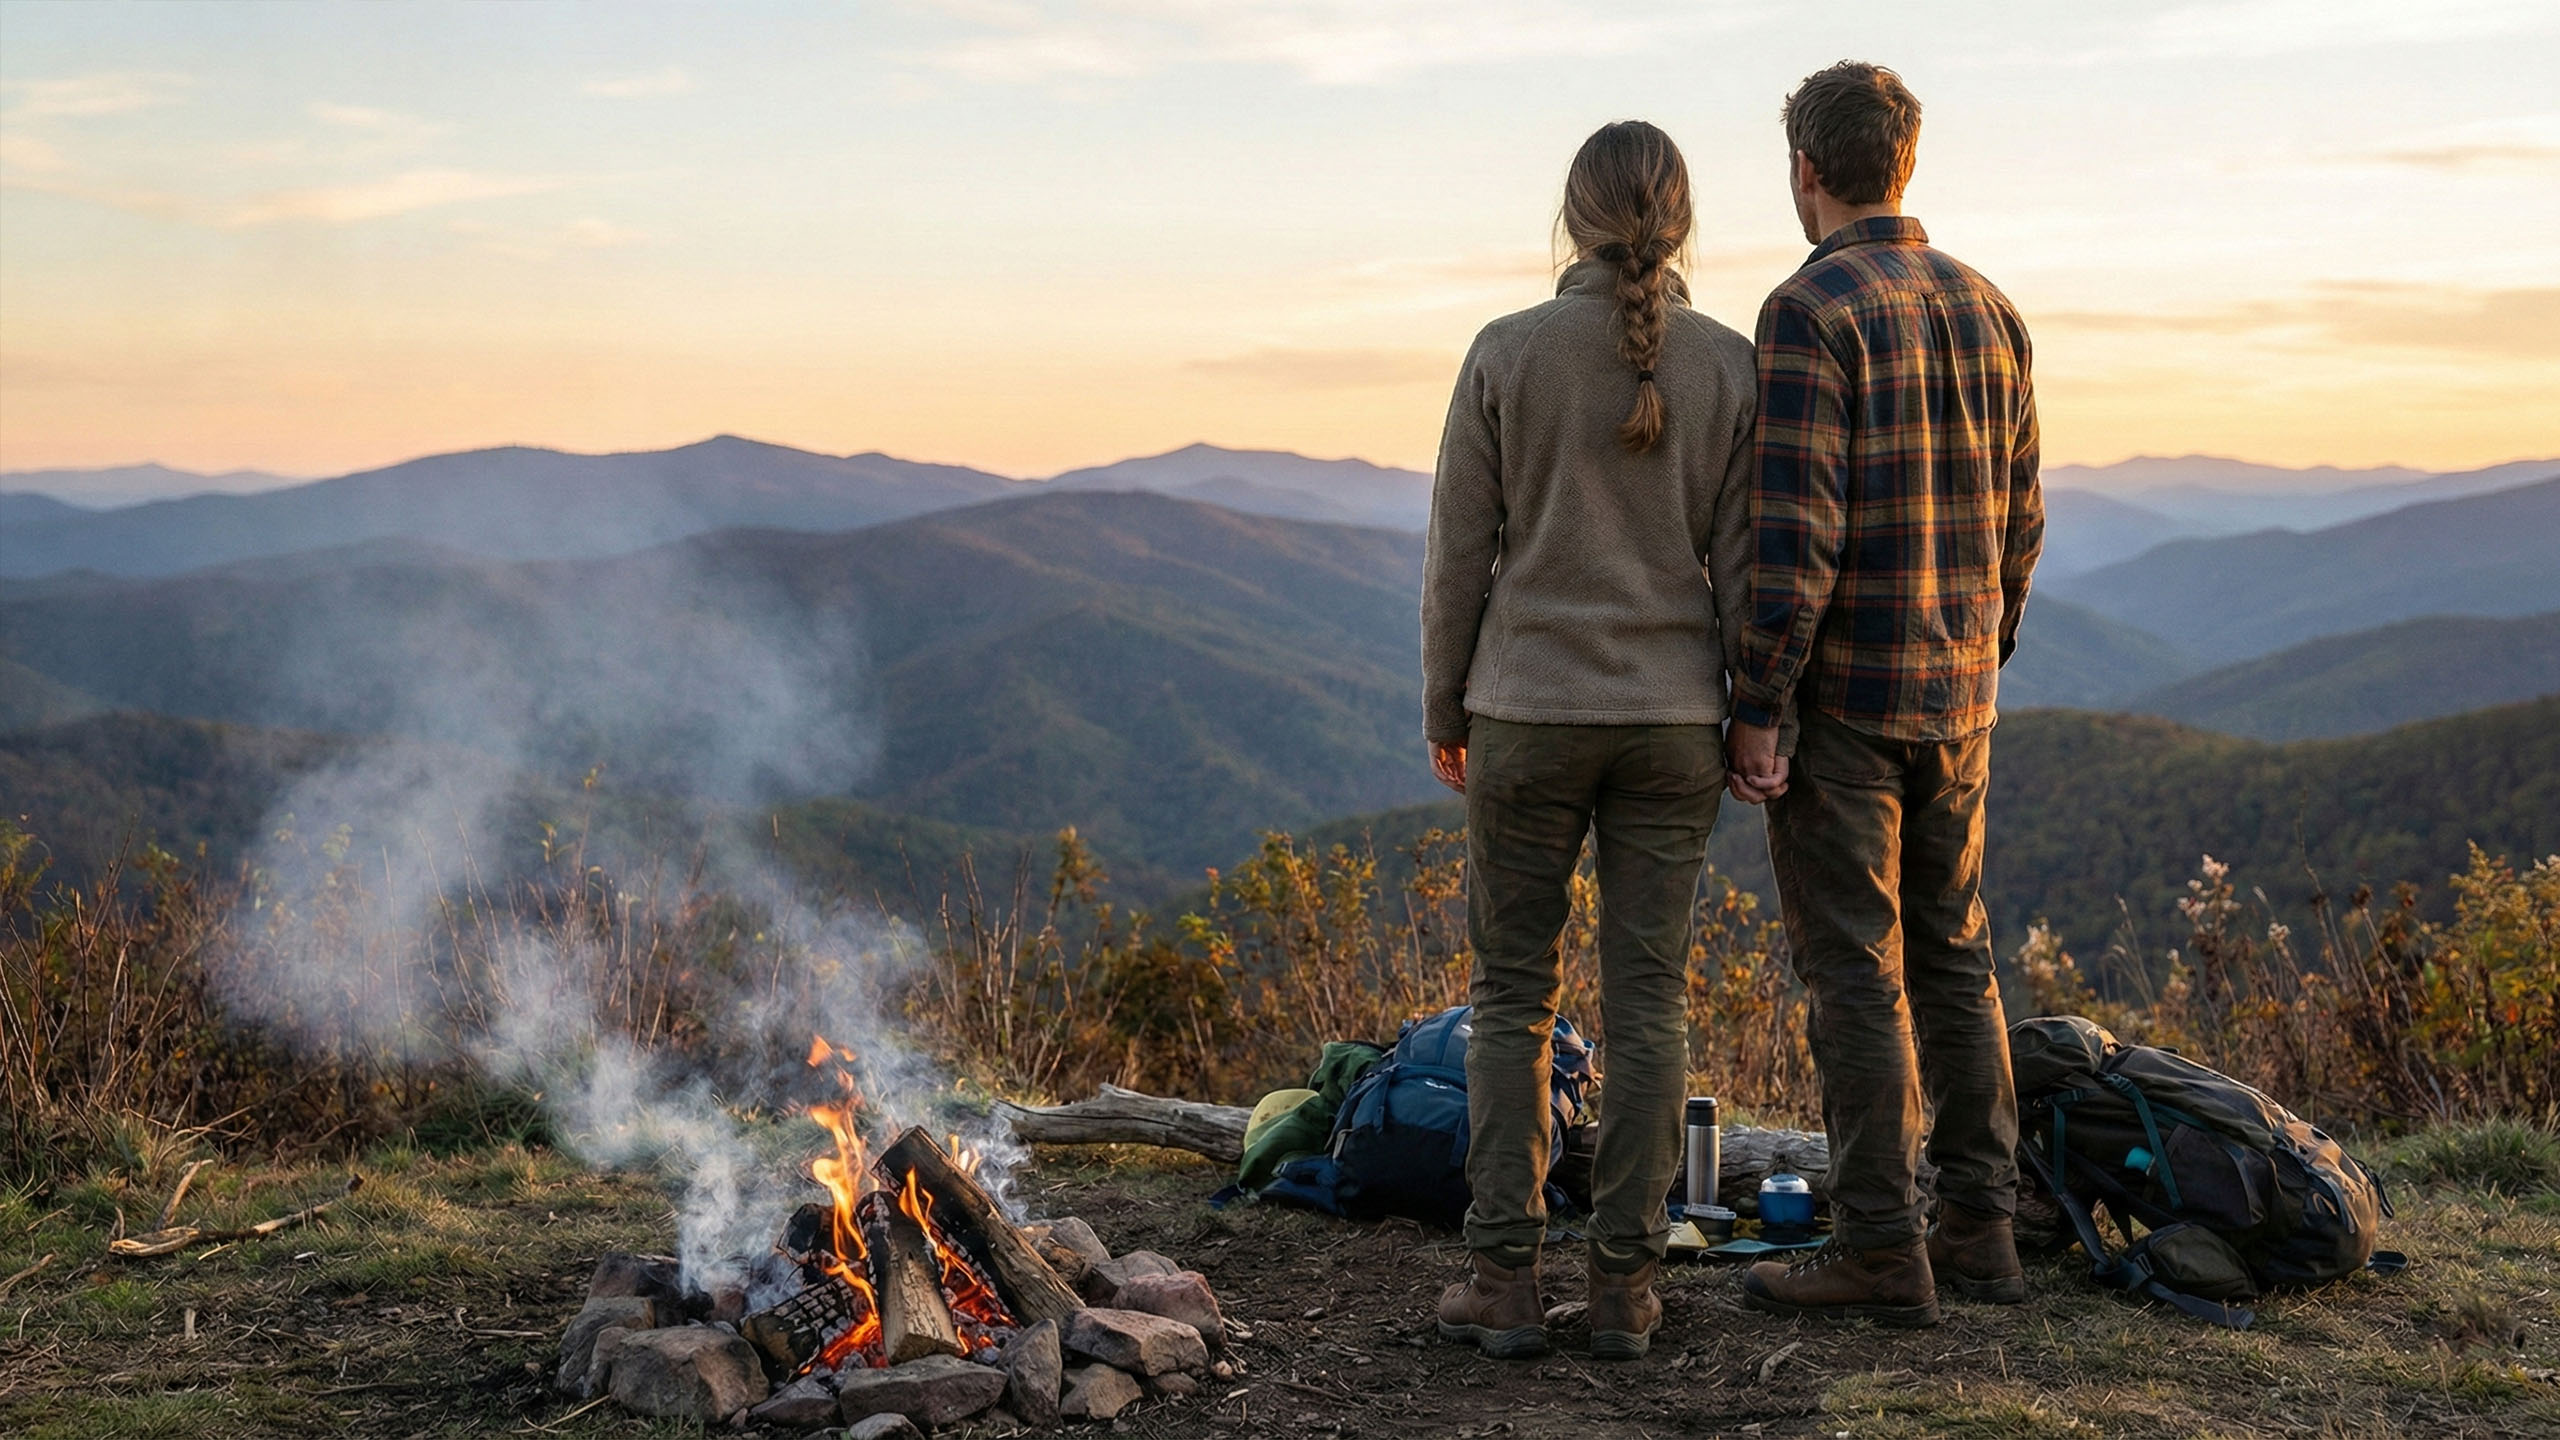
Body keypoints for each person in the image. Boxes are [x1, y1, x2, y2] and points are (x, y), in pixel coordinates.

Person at [1421, 120, 1759, 1361]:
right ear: (1681, 223)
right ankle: (1625, 1289)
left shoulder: (1507, 352)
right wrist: (1749, 710)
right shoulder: (1727, 365)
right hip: (1673, 720)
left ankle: (1503, 1281)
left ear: (1570, 219)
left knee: (1511, 997)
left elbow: (1459, 553)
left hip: (1526, 709)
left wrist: (1444, 707)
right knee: (1648, 1002)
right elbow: (1746, 570)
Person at [1726, 62, 2044, 1327]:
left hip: (1849, 697)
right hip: (1959, 692)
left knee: (1854, 973)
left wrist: (1761, 698)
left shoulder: (1809, 312)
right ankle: (1980, 1232)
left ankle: (1876, 1248)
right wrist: (1982, 645)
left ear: (1806, 169)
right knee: (1957, 956)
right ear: (1903, 162)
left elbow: (1795, 532)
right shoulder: (1991, 308)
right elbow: (2021, 521)